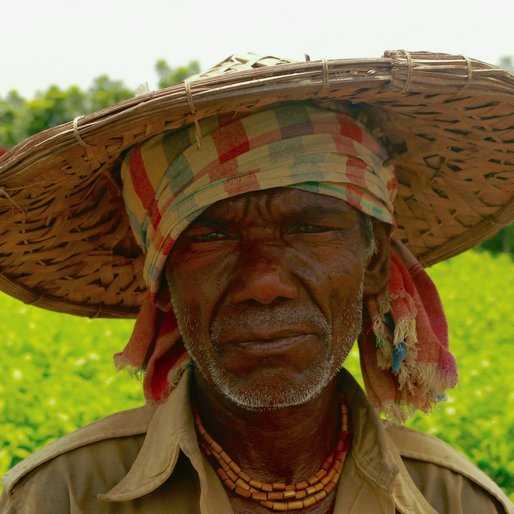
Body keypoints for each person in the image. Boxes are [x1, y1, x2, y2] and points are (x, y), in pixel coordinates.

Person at [0, 51, 513, 514]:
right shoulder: (59, 496)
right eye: (213, 237)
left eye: (309, 228)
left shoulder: (456, 501)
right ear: (160, 280)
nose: (264, 282)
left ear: (374, 260)